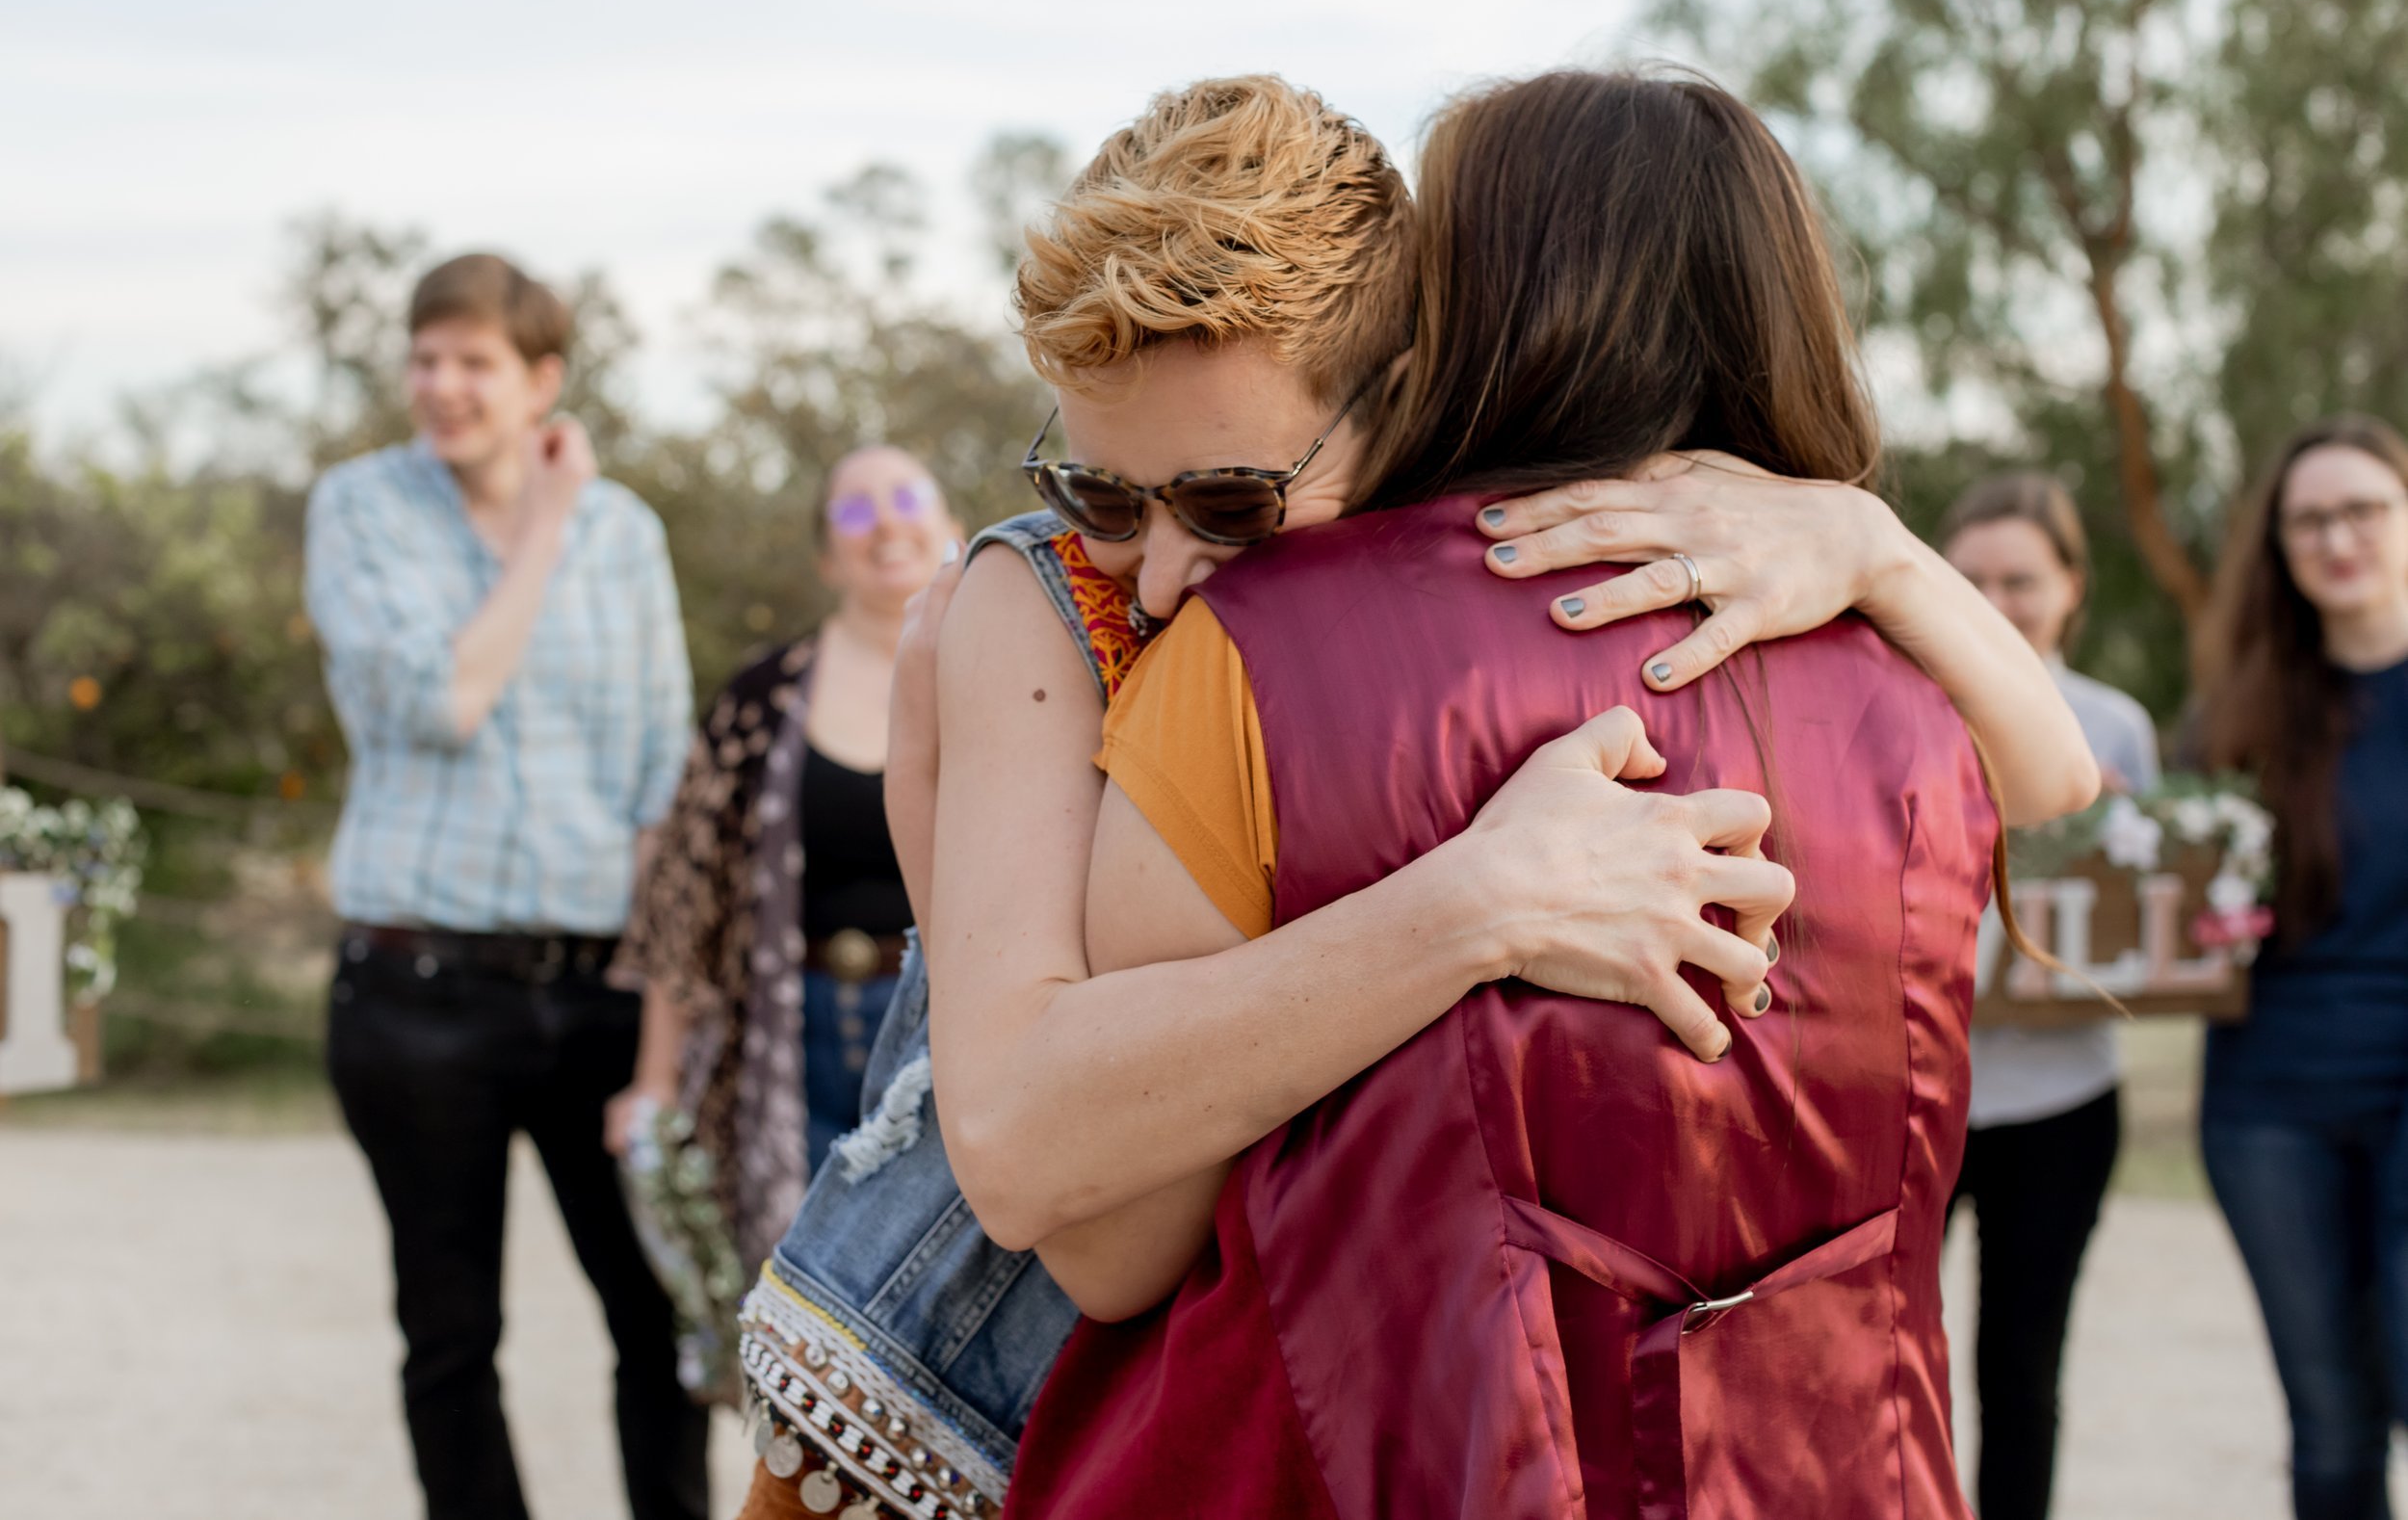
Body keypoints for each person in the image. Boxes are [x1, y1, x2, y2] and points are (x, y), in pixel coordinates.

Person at [730, 74, 2091, 1520]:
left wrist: (1872, 544)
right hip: (929, 1401)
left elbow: (2052, 775)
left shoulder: (1379, 610)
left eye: (1235, 502)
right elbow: (1033, 1174)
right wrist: (1478, 902)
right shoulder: (1036, 602)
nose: (1165, 566)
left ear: (1405, 390)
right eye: (1103, 491)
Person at [303, 253, 705, 1520]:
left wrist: (656, 1040)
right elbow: (443, 696)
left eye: (474, 361)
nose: (441, 385)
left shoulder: (627, 532)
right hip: (417, 990)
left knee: (659, 1317)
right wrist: (541, 523)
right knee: (452, 1329)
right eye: (425, 357)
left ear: (543, 379)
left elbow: (661, 780)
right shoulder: (360, 507)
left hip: (596, 991)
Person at [605, 445, 961, 1392]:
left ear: (952, 525)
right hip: (792, 1040)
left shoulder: (1016, 679)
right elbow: (685, 895)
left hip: (951, 1038)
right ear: (825, 559)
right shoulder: (763, 698)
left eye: (903, 497)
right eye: (852, 512)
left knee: (936, 1322)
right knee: (802, 1328)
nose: (883, 522)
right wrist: (654, 1081)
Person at [2195, 414, 2408, 1520]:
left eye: (2363, 507)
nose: (2338, 536)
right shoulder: (2239, 716)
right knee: (2330, 1421)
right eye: (2308, 518)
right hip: (2270, 1104)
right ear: (2279, 547)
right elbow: (2170, 902)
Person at [1936, 472, 2159, 1520]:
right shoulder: (1893, 696)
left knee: (2021, 1372)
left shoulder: (2115, 727)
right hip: (1913, 1090)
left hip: (2059, 1103)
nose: (1993, 599)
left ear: (2070, 586)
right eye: (1968, 577)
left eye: (2019, 579)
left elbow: (2139, 927)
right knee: (1890, 1361)